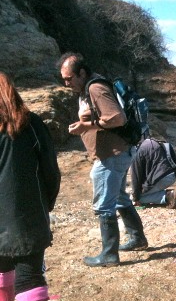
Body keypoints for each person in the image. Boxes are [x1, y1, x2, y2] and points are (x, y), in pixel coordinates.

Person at [58, 52, 148, 266]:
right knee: (119, 198)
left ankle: (109, 254)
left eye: (69, 78)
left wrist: (86, 126)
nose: (66, 83)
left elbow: (117, 117)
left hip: (112, 155)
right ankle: (137, 238)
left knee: (104, 204)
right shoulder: (88, 87)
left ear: (81, 73)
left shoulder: (94, 88)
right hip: (116, 153)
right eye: (63, 79)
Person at [0, 72, 60, 301]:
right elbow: (51, 172)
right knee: (30, 277)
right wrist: (44, 207)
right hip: (25, 217)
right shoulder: (31, 125)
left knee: (1, 270)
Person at [130, 138, 176, 209]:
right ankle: (166, 194)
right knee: (137, 193)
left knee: (131, 198)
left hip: (162, 178)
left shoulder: (136, 152)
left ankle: (167, 196)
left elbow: (136, 178)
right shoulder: (151, 142)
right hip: (171, 175)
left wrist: (135, 198)